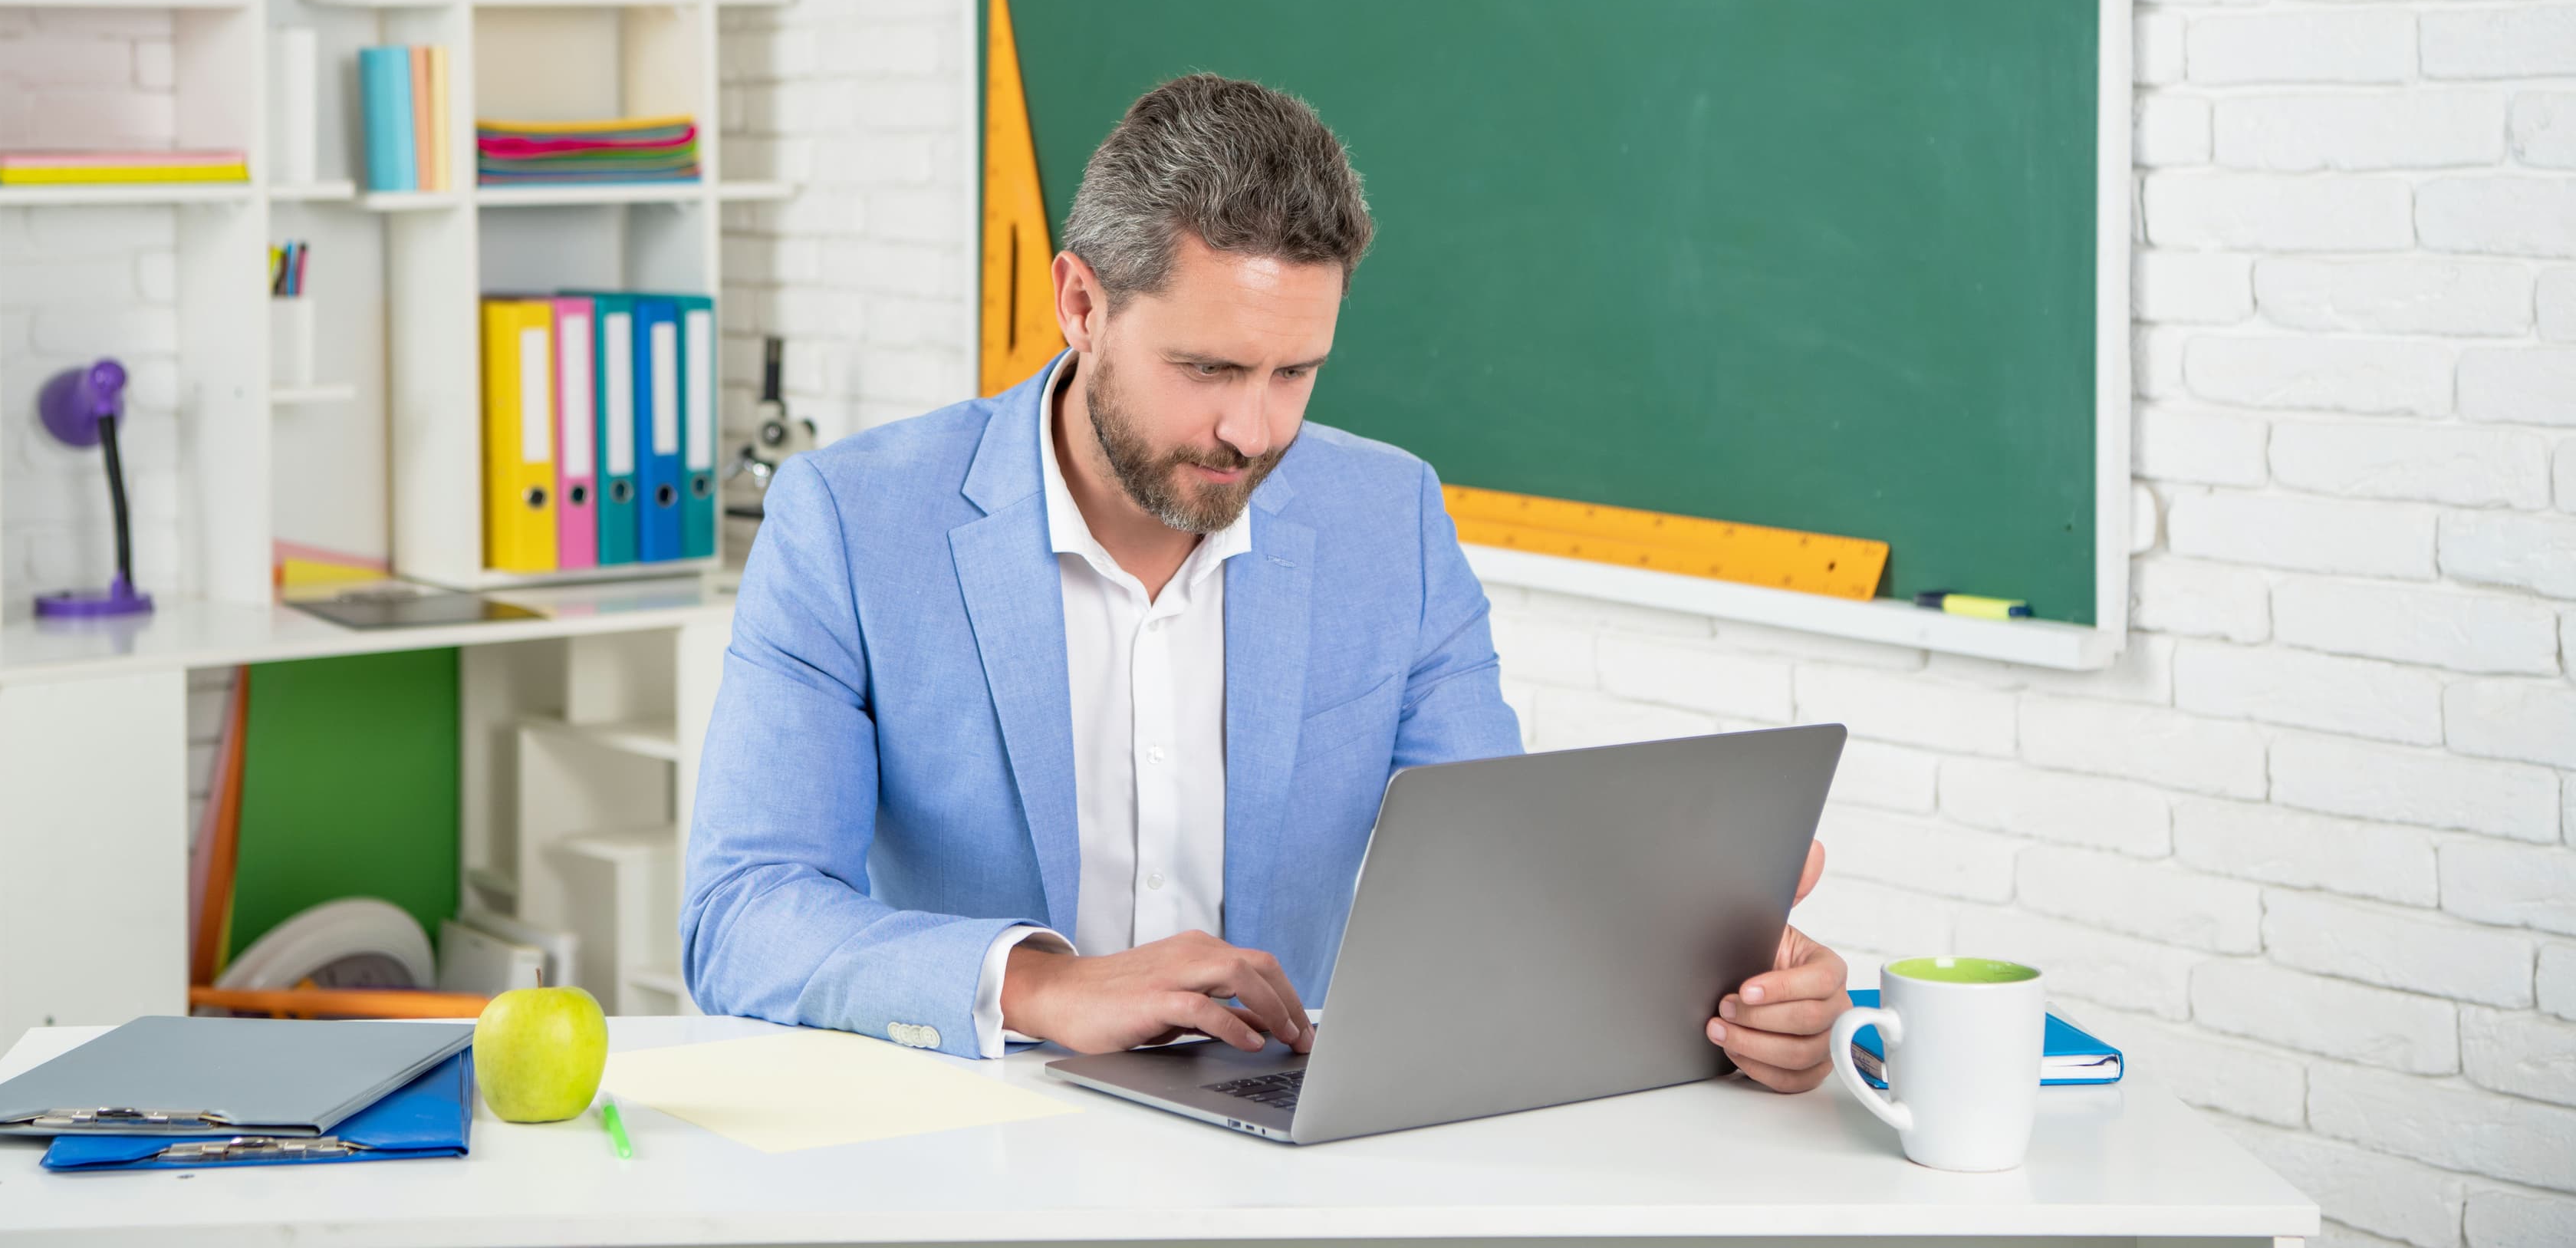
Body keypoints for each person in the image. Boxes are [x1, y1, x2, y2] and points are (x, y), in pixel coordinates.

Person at [683, 74, 1848, 1086]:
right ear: (1081, 305)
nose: (1254, 430)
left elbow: (1492, 880)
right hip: (977, 1130)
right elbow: (742, 913)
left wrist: (1721, 987)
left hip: (1281, 1138)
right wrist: (1042, 984)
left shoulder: (1389, 521)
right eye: (1209, 368)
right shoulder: (852, 522)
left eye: (1297, 373)